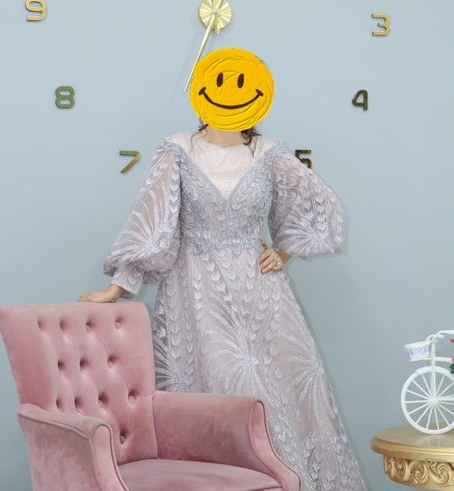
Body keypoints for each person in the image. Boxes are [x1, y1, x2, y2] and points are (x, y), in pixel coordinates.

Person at [79, 48, 367, 491]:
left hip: (262, 296)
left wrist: (284, 251)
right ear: (201, 91)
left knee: (275, 401)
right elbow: (152, 222)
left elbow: (320, 205)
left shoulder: (268, 154)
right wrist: (118, 286)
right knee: (214, 397)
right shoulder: (176, 150)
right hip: (194, 292)